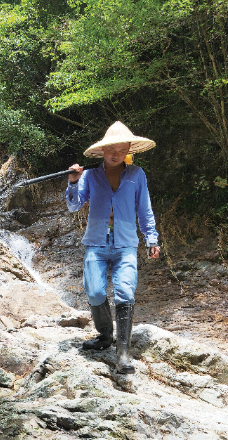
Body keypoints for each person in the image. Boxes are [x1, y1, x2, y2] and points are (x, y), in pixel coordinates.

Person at [66, 121, 160, 374]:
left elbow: (145, 209)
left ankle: (123, 354)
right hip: (96, 242)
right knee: (95, 291)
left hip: (126, 243)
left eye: (121, 149)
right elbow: (74, 206)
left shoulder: (137, 175)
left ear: (128, 149)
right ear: (103, 151)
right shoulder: (90, 176)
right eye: (111, 149)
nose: (116, 153)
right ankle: (105, 336)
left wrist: (152, 238)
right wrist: (74, 182)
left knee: (125, 293)